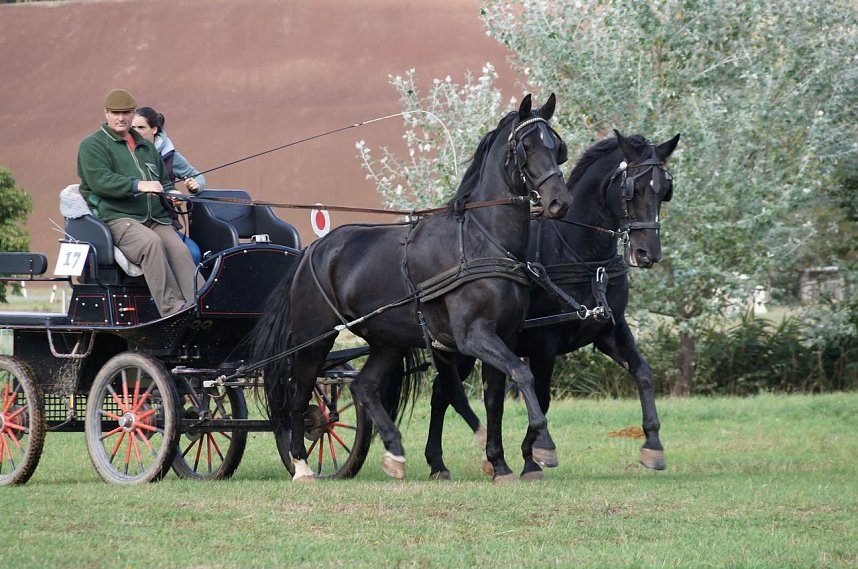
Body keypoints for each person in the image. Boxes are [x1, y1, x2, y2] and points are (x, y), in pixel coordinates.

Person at [77, 88, 199, 317]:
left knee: (181, 251)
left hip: (155, 217)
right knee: (151, 244)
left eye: (125, 113)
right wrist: (138, 185)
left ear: (133, 114)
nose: (120, 118)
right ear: (106, 113)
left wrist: (172, 194)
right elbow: (100, 181)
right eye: (115, 113)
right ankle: (173, 309)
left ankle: (200, 303)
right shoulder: (93, 145)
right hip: (118, 218)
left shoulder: (146, 148)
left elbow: (163, 181)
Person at [132, 107, 204, 263]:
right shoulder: (124, 152)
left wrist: (194, 185)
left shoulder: (169, 155)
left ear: (154, 129)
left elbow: (196, 176)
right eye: (133, 128)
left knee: (193, 254)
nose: (135, 131)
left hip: (164, 222)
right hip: (133, 222)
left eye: (141, 127)